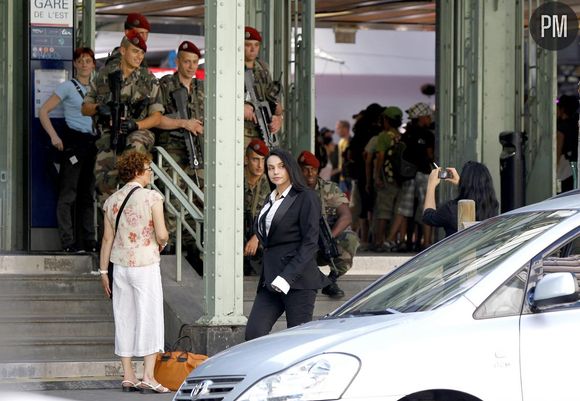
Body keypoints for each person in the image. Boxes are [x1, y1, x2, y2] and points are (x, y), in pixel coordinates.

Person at [99, 150, 170, 394]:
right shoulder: (152, 197)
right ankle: (148, 376)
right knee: (149, 317)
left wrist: (102, 272)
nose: (151, 174)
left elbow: (107, 240)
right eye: (149, 170)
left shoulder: (111, 201)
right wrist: (163, 241)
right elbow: (161, 234)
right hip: (145, 265)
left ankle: (128, 374)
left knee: (124, 317)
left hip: (119, 268)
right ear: (139, 172)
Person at [245, 148, 329, 340]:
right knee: (254, 333)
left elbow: (310, 243)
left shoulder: (305, 196)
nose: (276, 172)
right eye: (271, 168)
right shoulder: (270, 198)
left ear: (290, 168)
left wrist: (287, 277)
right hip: (271, 278)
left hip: (298, 279)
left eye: (281, 167)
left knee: (297, 340)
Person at [82, 30, 163, 207]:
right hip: (109, 135)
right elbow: (85, 108)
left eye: (142, 53)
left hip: (139, 133)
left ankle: (133, 205)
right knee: (103, 185)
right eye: (135, 51)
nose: (139, 56)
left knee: (134, 149)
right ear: (123, 51)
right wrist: (99, 108)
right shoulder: (104, 76)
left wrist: (136, 124)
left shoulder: (148, 80)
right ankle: (109, 226)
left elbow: (157, 116)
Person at [39, 47, 97, 252]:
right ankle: (68, 242)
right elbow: (43, 110)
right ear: (74, 64)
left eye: (88, 60)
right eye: (80, 60)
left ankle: (89, 240)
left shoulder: (99, 88)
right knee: (68, 194)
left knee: (88, 195)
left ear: (93, 65)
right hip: (74, 143)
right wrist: (54, 136)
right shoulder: (67, 87)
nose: (84, 64)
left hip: (94, 144)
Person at [155, 40, 204, 256]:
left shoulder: (202, 88)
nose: (191, 66)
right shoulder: (165, 85)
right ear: (178, 61)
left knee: (200, 197)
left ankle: (194, 244)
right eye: (187, 62)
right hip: (173, 148)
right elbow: (156, 119)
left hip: (198, 150)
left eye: (195, 62)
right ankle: (172, 244)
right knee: (173, 197)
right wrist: (184, 123)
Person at [298, 151, 359, 298]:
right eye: (305, 169)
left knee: (350, 238)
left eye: (313, 169)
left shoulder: (329, 189)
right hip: (301, 245)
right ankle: (322, 282)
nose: (310, 173)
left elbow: (346, 216)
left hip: (322, 245)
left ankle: (332, 279)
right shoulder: (291, 190)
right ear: (298, 170)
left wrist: (329, 238)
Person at [422, 161, 499, 237]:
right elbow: (475, 194)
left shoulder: (451, 209)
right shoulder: (492, 206)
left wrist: (431, 185)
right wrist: (461, 184)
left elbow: (428, 216)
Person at [244, 26, 283, 148]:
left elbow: (275, 103)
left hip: (263, 131)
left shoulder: (263, 68)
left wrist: (279, 118)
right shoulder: (231, 69)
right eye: (248, 45)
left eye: (256, 45)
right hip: (241, 133)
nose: (252, 49)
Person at [372, 106, 403, 252]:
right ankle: (395, 240)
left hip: (387, 178)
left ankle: (379, 241)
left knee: (383, 211)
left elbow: (380, 157)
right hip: (399, 180)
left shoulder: (384, 136)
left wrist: (377, 176)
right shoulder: (400, 136)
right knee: (397, 211)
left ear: (387, 120)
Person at [243, 139, 271, 276]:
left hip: (255, 233)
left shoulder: (266, 182)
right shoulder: (236, 178)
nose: (260, 165)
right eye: (255, 160)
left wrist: (256, 238)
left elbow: (269, 215)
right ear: (246, 160)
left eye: (263, 160)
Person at [556, 94, 579, 193]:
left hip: (564, 169)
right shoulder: (575, 125)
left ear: (562, 109)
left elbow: (557, 150)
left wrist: (554, 170)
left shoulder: (561, 129)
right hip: (573, 166)